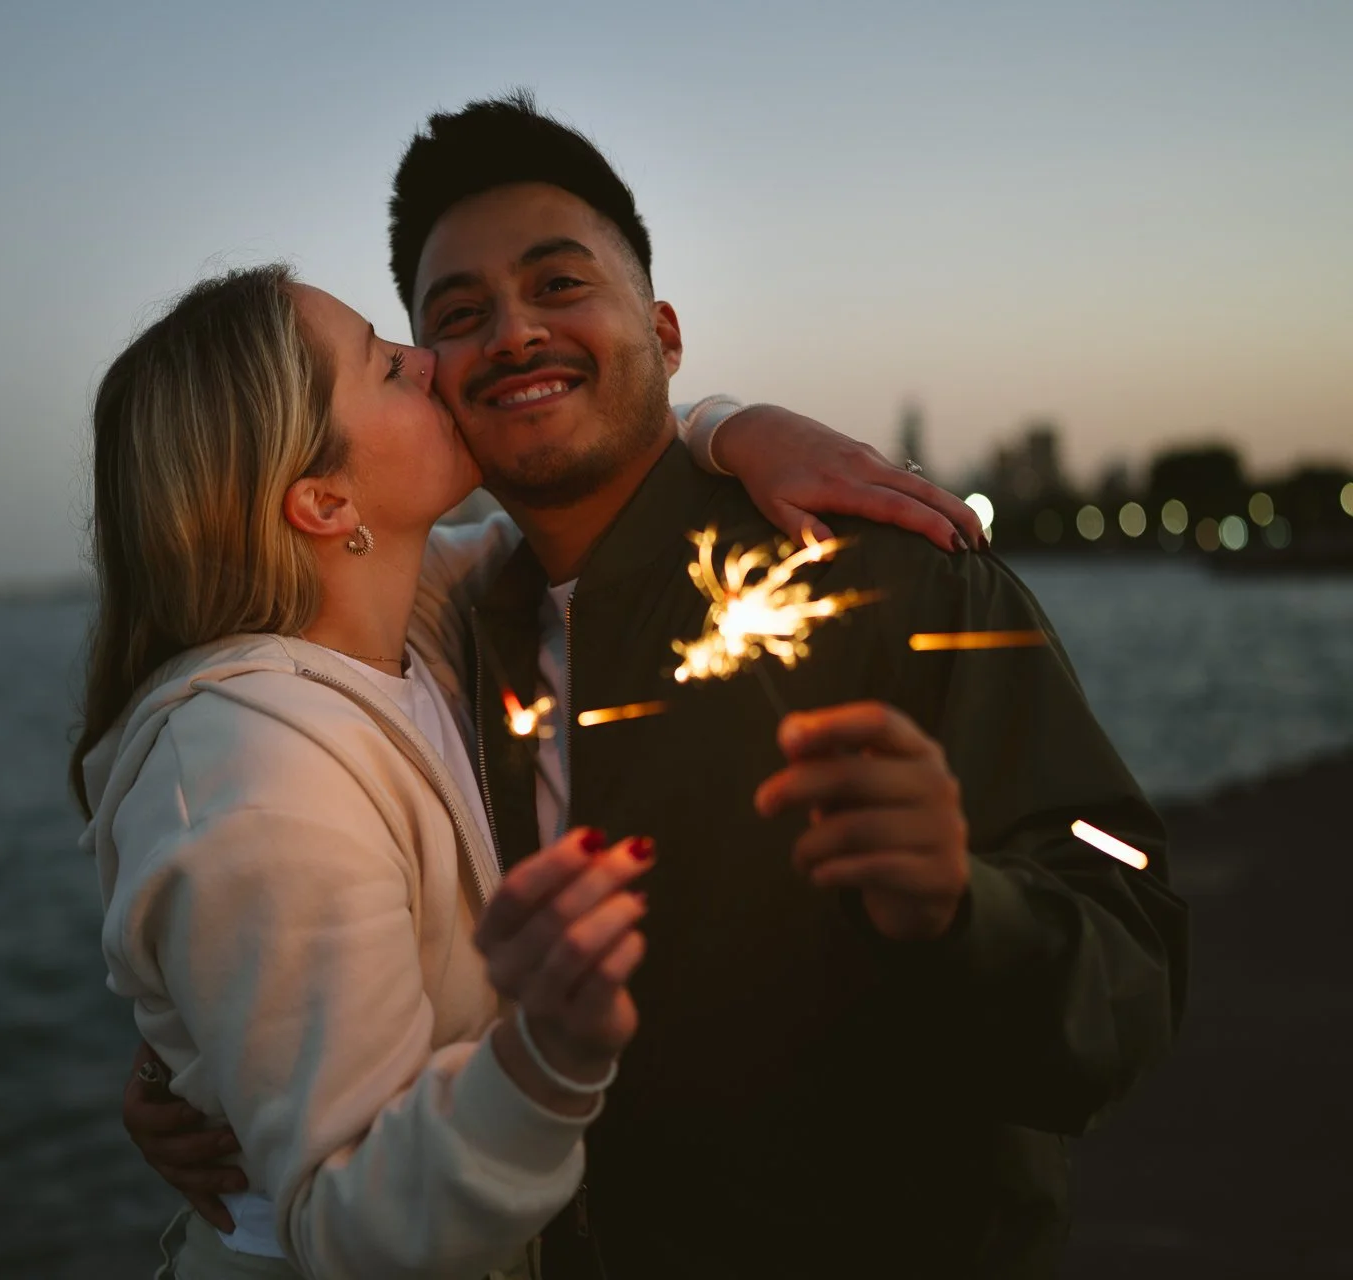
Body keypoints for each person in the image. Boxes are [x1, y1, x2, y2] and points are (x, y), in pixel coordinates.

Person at [125, 94, 1190, 1277]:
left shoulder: (888, 577)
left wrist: (958, 906)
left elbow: (1129, 981)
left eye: (561, 284)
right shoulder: (453, 632)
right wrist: (220, 1052)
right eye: (459, 315)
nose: (515, 333)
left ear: (666, 331)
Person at [80, 259, 979, 1279]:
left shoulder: (404, 618)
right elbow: (349, 1222)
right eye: (384, 365)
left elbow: (601, 506)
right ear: (325, 501)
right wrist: (550, 1049)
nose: (429, 362)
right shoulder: (256, 777)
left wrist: (732, 426)